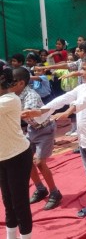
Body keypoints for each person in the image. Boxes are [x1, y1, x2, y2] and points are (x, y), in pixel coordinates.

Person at [21, 55, 86, 227]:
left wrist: (67, 112)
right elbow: (63, 99)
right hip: (84, 140)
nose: (81, 72)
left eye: (85, 69)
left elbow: (80, 102)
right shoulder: (82, 87)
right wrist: (40, 112)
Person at [11, 67, 62, 210]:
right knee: (26, 160)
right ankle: (40, 188)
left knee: (39, 162)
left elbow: (27, 113)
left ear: (21, 83)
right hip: (32, 130)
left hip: (45, 130)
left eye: (11, 82)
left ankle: (54, 192)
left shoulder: (30, 96)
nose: (8, 85)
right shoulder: (14, 94)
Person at [0, 62, 33, 239]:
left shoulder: (10, 100)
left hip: (18, 156)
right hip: (3, 157)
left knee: (19, 203)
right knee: (8, 202)